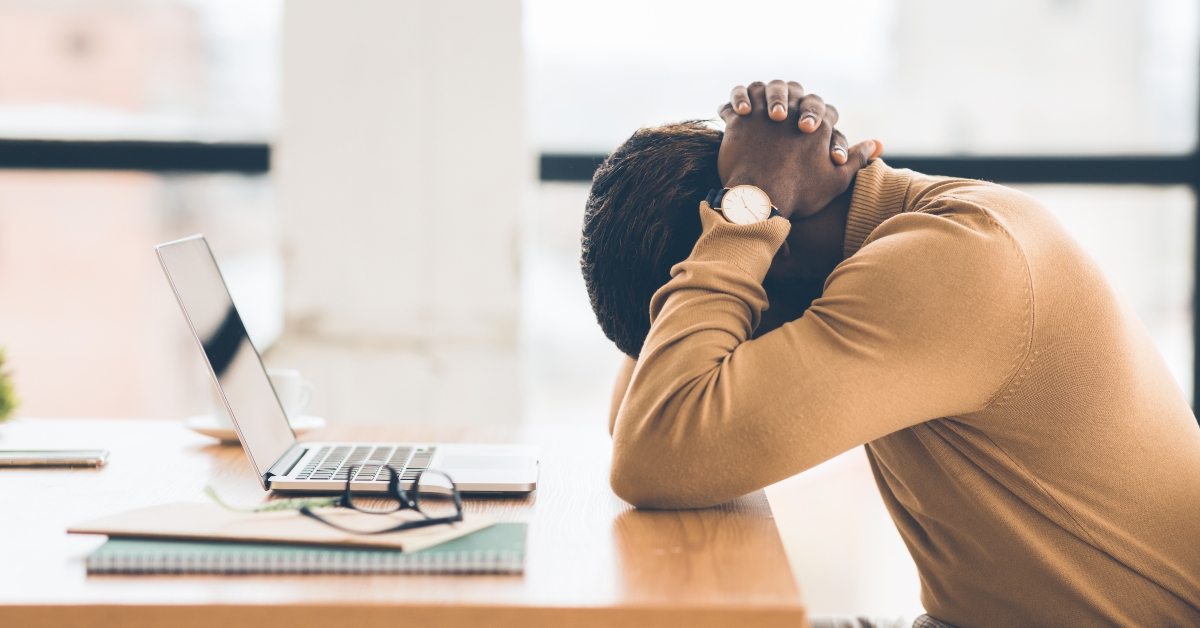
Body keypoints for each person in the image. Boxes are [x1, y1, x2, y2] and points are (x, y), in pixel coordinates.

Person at [582, 80, 1200, 627]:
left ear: (774, 251)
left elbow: (655, 450)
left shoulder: (951, 259)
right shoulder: (883, 243)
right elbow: (637, 413)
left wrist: (746, 206)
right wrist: (753, 200)